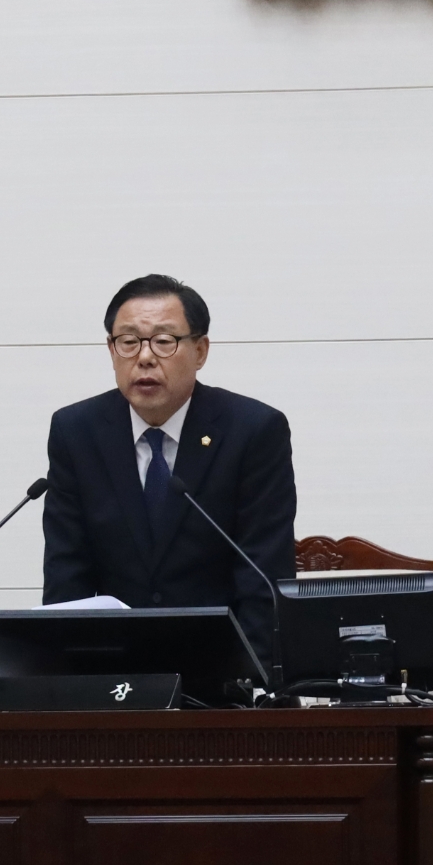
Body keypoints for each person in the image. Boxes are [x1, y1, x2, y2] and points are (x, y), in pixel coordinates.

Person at [42, 274, 297, 674]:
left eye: (164, 341)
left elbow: (262, 574)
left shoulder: (253, 431)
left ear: (200, 350)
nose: (144, 357)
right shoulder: (77, 432)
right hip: (113, 677)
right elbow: (66, 574)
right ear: (111, 350)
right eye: (128, 341)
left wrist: (250, 684)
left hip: (221, 673)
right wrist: (64, 681)